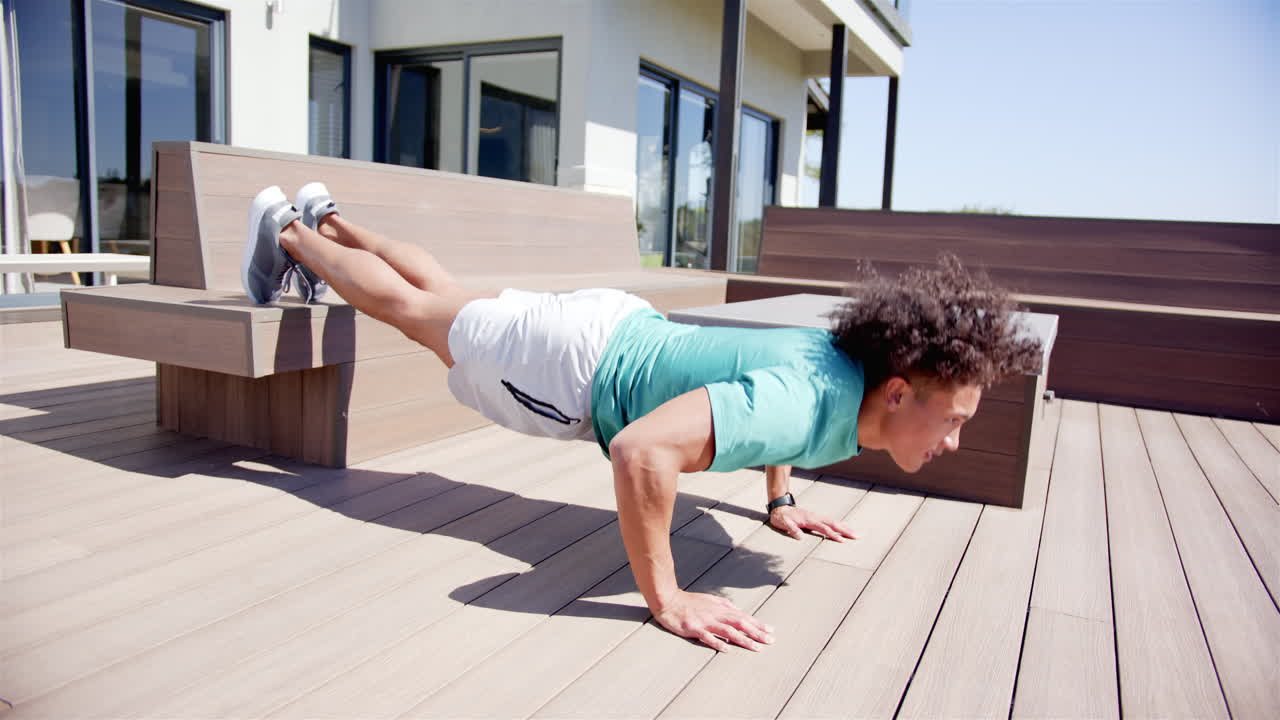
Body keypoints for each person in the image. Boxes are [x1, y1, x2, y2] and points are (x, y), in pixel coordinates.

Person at [241, 183, 1042, 653]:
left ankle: (327, 217)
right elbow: (640, 451)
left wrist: (781, 499)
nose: (956, 440)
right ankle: (286, 230)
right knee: (417, 313)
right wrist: (668, 599)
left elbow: (768, 406)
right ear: (898, 393)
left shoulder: (845, 375)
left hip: (613, 325)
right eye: (955, 420)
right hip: (578, 369)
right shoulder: (812, 403)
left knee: (449, 296)